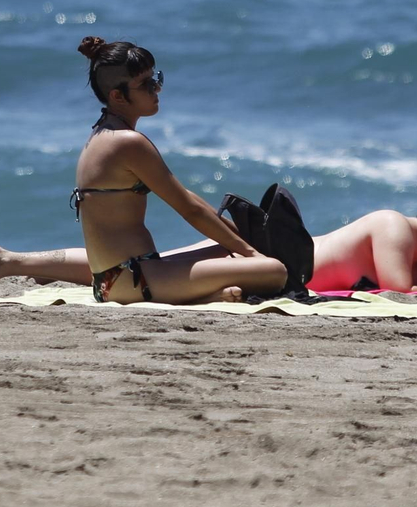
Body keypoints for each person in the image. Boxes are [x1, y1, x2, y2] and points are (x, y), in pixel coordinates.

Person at [0, 120, 417, 295]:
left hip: (264, 262)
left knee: (149, 268)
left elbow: (416, 275)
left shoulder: (411, 241)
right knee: (152, 270)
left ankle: (13, 261)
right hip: (269, 260)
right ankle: (13, 261)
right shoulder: (396, 227)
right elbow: (398, 291)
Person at [28, 36, 289, 305]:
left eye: (157, 79)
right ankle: (206, 298)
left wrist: (242, 239)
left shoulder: (102, 133)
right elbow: (189, 209)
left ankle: (210, 293)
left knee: (229, 250)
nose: (157, 90)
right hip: (134, 281)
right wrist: (251, 252)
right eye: (147, 85)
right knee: (274, 271)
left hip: (117, 278)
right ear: (118, 96)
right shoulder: (128, 143)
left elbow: (185, 197)